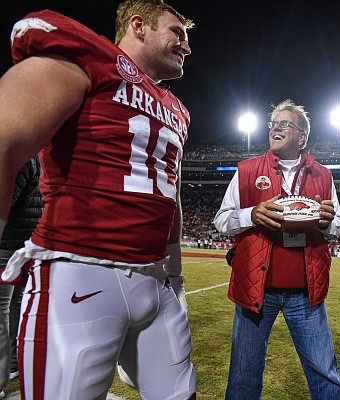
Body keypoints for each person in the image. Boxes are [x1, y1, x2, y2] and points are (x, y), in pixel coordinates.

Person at [0, 1, 196, 399]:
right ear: (139, 27)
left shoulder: (177, 109)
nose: (186, 46)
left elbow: (169, 194)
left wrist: (174, 275)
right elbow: (4, 142)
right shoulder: (89, 56)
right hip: (80, 272)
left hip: (156, 282)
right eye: (178, 32)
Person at [213, 99, 340, 400]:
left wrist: (325, 222)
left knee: (325, 373)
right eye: (273, 124)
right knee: (244, 376)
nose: (276, 128)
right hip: (256, 291)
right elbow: (221, 220)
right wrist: (252, 214)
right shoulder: (247, 170)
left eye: (285, 124)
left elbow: (337, 224)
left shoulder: (323, 175)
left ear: (302, 136)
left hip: (305, 292)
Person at [0, 156, 42, 397]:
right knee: (17, 305)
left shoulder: (22, 155)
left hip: (8, 244)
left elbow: (9, 197)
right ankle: (15, 363)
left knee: (2, 307)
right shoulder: (42, 155)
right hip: (27, 242)